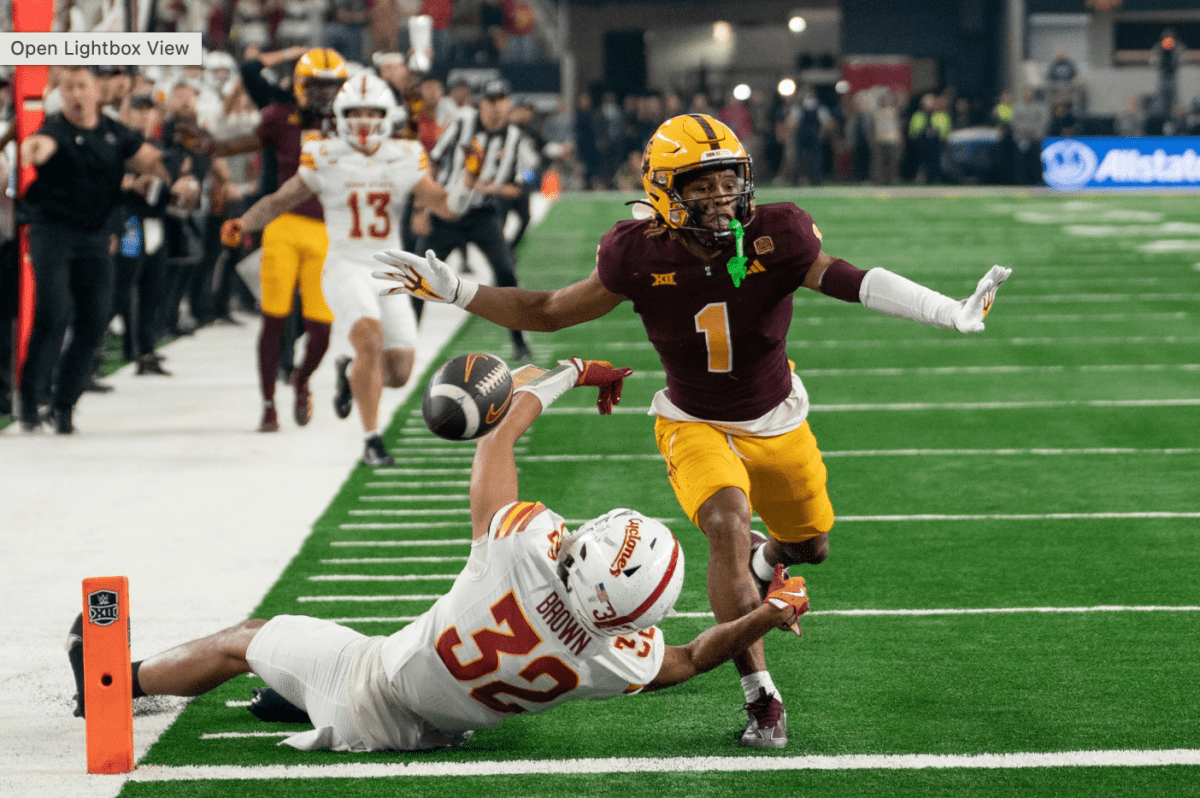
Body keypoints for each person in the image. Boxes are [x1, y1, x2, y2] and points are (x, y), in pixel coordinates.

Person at [373, 113, 1012, 747]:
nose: (721, 196)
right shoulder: (634, 252)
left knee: (811, 545)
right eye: (700, 185)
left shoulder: (778, 232)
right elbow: (546, 310)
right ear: (663, 191)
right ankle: (762, 697)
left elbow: (851, 279)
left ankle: (769, 559)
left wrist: (946, 311)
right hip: (693, 420)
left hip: (777, 417)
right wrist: (455, 290)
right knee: (727, 522)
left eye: (729, 179)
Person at [67, 356, 812, 751]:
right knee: (319, 669)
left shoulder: (520, 548)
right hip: (442, 726)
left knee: (246, 639)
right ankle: (289, 694)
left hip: (375, 691)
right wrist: (766, 613)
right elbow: (698, 655)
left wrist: (575, 370)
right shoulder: (619, 655)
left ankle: (114, 680)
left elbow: (499, 432)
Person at [222, 74, 475, 466]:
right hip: (344, 264)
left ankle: (348, 371)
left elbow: (444, 205)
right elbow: (280, 199)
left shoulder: (405, 154)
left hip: (391, 270)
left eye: (371, 111)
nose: (363, 120)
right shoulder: (325, 154)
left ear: (385, 115)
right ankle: (372, 439)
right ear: (340, 116)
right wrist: (245, 223)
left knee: (399, 371)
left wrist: (468, 182)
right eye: (354, 112)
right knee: (370, 339)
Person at [180, 48, 348, 433]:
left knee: (321, 331)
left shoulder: (352, 120)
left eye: (330, 88)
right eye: (316, 88)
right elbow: (246, 142)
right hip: (283, 223)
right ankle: (269, 404)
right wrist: (210, 146)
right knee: (274, 319)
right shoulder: (280, 115)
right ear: (300, 86)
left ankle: (302, 379)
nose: (323, 97)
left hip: (328, 231)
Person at [18, 65, 189, 434]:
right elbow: (41, 146)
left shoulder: (114, 134)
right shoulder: (56, 128)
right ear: (61, 94)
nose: (76, 94)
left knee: (94, 321)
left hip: (95, 237)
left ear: (96, 92)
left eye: (82, 87)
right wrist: (32, 150)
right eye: (68, 88)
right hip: (53, 234)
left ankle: (64, 405)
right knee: (53, 313)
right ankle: (30, 400)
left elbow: (153, 162)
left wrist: (174, 176)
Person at [421, 78, 534, 361]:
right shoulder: (461, 125)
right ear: (480, 103)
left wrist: (491, 188)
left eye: (501, 101)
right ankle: (404, 342)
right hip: (446, 211)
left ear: (509, 104)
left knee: (506, 272)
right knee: (418, 275)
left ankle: (519, 342)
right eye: (489, 101)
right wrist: (422, 208)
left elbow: (518, 187)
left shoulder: (515, 137)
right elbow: (432, 163)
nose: (495, 108)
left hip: (483, 214)